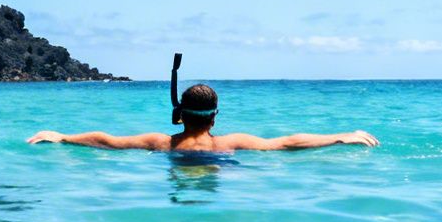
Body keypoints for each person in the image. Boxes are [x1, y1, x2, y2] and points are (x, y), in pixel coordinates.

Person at [28, 83, 378, 152]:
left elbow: (106, 140)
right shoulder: (229, 144)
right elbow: (286, 143)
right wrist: (339, 136)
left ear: (179, 114)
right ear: (214, 118)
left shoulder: (159, 143)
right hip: (220, 170)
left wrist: (62, 136)